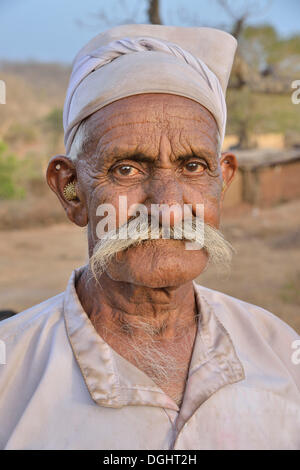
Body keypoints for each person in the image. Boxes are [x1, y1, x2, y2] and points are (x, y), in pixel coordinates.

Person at [0, 24, 299, 450]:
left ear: (224, 182)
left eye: (193, 167)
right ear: (71, 191)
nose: (169, 207)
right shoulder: (10, 375)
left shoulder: (282, 353)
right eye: (126, 169)